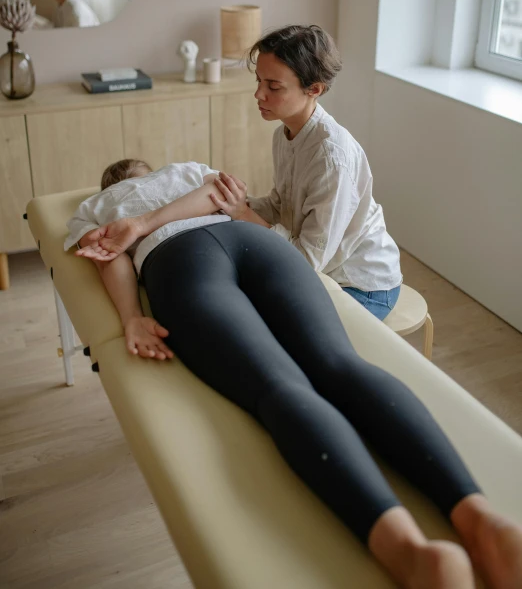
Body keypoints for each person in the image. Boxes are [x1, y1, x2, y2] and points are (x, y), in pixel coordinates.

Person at [68, 159, 522, 589]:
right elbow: (220, 195)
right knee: (341, 365)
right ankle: (482, 521)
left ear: (110, 184)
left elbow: (110, 255)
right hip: (257, 244)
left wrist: (131, 316)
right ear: (149, 168)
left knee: (280, 387)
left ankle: (409, 549)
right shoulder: (184, 170)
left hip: (181, 262)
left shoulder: (96, 205)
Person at [209, 25, 402, 321]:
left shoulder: (331, 159)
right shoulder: (284, 135)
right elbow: (281, 206)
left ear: (314, 89)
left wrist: (243, 214)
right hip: (322, 269)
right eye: (259, 81)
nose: (258, 94)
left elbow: (306, 261)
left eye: (273, 86)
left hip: (360, 284)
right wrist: (236, 202)